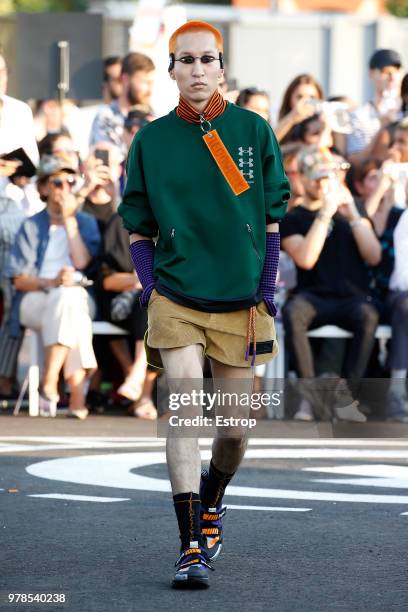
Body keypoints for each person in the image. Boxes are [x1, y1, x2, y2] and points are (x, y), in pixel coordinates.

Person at [118, 21, 290, 588]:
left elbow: (272, 218)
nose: (195, 69)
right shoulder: (152, 139)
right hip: (176, 296)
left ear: (221, 67)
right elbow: (137, 225)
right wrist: (151, 288)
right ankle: (191, 543)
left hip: (241, 298)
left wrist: (266, 286)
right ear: (170, 70)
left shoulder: (252, 129)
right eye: (184, 60)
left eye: (205, 59)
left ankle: (213, 498)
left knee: (236, 429)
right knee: (186, 403)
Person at [280, 145, 381, 422]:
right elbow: (306, 259)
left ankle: (347, 396)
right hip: (312, 296)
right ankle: (310, 397)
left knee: (368, 314)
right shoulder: (293, 218)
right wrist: (324, 214)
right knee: (293, 312)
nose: (323, 183)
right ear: (302, 178)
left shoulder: (354, 211)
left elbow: (373, 256)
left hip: (351, 297)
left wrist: (354, 217)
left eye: (328, 176)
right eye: (316, 177)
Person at [6, 155, 101, 419]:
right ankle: (76, 395)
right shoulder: (30, 225)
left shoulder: (85, 222)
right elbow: (19, 280)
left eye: (70, 181)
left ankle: (49, 380)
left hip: (77, 296)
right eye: (57, 182)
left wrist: (69, 219)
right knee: (68, 303)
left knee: (69, 299)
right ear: (44, 188)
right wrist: (51, 282)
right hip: (34, 298)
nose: (65, 188)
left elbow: (82, 261)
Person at [344, 49, 403, 165]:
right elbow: (355, 161)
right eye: (385, 71)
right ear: (371, 73)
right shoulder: (359, 116)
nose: (392, 77)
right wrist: (382, 129)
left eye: (396, 71)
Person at [89, 53, 155, 151]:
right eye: (145, 82)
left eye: (152, 83)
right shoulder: (106, 117)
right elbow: (107, 161)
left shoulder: (153, 116)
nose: (150, 91)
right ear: (126, 79)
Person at [0, 48, 39, 168]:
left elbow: (33, 160)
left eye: (3, 72)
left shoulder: (20, 110)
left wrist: (24, 175)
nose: (1, 79)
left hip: (14, 186)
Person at [275, 74, 324, 144]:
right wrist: (291, 118)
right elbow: (267, 145)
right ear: (289, 99)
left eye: (312, 97)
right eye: (300, 97)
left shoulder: (323, 122)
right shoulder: (282, 124)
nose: (306, 102)